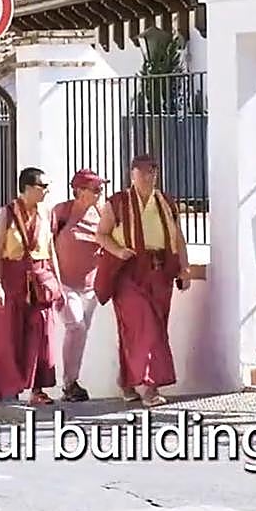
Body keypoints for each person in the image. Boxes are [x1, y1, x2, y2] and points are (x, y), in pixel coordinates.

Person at [95, 153, 192, 408]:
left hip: (160, 272)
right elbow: (102, 235)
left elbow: (178, 238)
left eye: (153, 172)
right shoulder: (117, 203)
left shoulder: (166, 202)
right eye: (144, 172)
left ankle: (127, 382)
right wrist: (119, 251)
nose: (149, 177)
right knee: (144, 328)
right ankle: (151, 388)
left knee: (156, 328)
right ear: (132, 174)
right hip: (129, 272)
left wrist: (185, 267)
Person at [0, 167, 64, 405]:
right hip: (13, 276)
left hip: (40, 278)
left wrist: (58, 284)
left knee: (42, 334)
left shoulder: (45, 213)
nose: (47, 191)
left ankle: (37, 389)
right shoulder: (6, 214)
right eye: (43, 186)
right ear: (28, 188)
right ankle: (1, 386)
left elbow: (50, 251)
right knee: (8, 334)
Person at [51, 169, 106, 402]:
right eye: (94, 188)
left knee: (80, 333)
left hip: (91, 287)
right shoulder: (61, 212)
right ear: (79, 191)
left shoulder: (102, 214)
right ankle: (69, 382)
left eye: (100, 188)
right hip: (64, 283)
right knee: (76, 326)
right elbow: (47, 244)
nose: (99, 192)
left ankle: (72, 383)